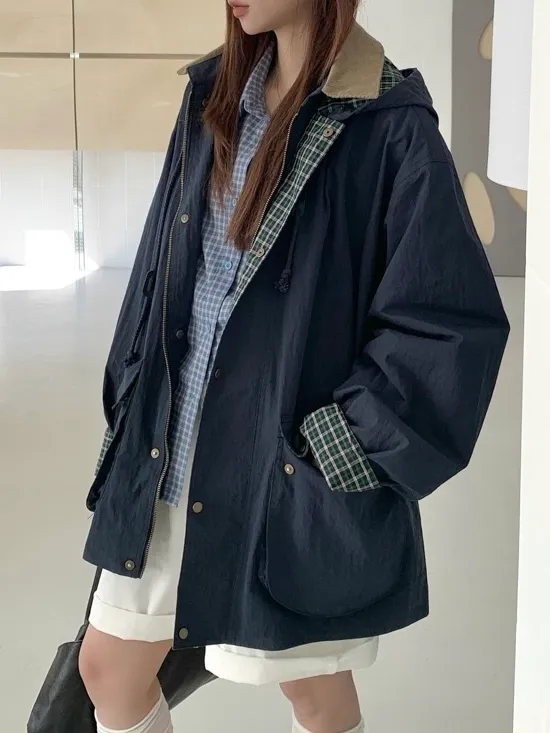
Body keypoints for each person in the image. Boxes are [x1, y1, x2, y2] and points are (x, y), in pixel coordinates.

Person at [77, 1, 510, 732]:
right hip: (171, 448)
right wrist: (130, 399)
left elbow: (448, 322)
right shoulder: (213, 93)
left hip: (282, 464)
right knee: (108, 668)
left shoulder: (388, 124)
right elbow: (160, 269)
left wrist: (341, 448)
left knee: (313, 689)